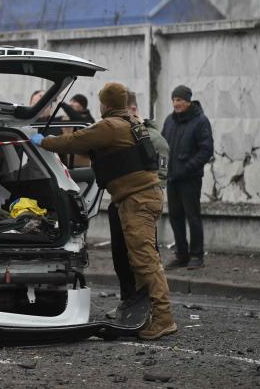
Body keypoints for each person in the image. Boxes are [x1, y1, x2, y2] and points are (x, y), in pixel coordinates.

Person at [31, 82, 176, 340]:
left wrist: (45, 142)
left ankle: (163, 319)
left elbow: (76, 140)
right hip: (143, 197)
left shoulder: (110, 127)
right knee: (140, 260)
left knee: (145, 261)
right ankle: (146, 314)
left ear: (106, 104)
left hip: (137, 200)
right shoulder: (130, 123)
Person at [106, 90, 169, 319]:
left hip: (139, 204)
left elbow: (159, 175)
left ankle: (149, 307)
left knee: (143, 258)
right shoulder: (121, 133)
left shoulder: (150, 137)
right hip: (120, 201)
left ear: (131, 109)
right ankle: (129, 302)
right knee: (121, 256)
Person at [162, 85, 213, 270]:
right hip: (172, 179)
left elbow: (206, 151)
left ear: (188, 101)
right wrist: (163, 171)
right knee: (175, 217)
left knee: (193, 217)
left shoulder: (200, 121)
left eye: (180, 100)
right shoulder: (169, 121)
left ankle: (197, 255)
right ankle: (181, 255)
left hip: (190, 179)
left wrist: (187, 168)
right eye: (174, 100)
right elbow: (162, 146)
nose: (176, 103)